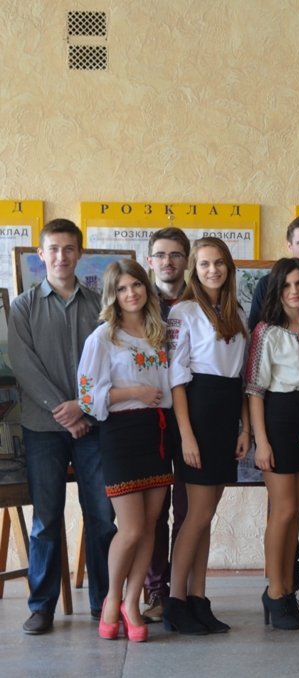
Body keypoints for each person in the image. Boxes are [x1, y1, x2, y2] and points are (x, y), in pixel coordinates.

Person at [9, 219, 117, 635]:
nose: (61, 256)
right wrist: (64, 411)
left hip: (94, 426)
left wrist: (83, 410)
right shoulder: (23, 307)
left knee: (102, 516)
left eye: (69, 248)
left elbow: (111, 363)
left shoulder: (101, 305)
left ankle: (104, 604)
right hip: (43, 428)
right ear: (41, 254)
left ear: (79, 253)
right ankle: (41, 607)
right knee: (46, 519)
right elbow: (24, 366)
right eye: (53, 249)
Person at [78, 260, 177, 642]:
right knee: (131, 527)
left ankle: (132, 602)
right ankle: (111, 599)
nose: (131, 293)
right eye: (121, 288)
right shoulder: (103, 337)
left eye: (136, 285)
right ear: (112, 295)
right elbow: (87, 397)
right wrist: (134, 392)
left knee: (150, 525)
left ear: (146, 289)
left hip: (157, 432)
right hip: (120, 433)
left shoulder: (158, 333)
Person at [246, 214, 299, 613]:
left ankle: (287, 592)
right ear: (276, 289)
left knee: (297, 510)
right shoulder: (267, 331)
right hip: (279, 422)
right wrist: (261, 443)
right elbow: (255, 390)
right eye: (286, 285)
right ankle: (276, 592)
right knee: (281, 512)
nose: (294, 290)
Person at [164, 237, 250, 635]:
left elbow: (242, 378)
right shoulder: (183, 311)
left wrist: (245, 427)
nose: (212, 270)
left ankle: (198, 598)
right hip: (198, 411)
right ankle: (175, 602)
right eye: (204, 264)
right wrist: (187, 436)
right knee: (196, 515)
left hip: (227, 412)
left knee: (207, 515)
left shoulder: (237, 312)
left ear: (229, 267)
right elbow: (176, 379)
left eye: (218, 263)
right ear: (193, 270)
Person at [142, 226, 191, 623]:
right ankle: (156, 590)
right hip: (151, 418)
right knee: (155, 511)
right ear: (150, 261)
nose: (168, 261)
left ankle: (182, 589)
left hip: (194, 417)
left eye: (176, 254)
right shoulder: (137, 302)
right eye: (161, 254)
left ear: (186, 260)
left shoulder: (202, 300)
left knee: (189, 507)